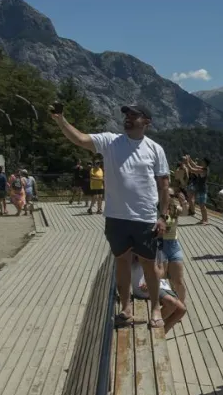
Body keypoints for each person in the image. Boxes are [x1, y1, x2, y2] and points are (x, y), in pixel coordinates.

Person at [51, 101, 170, 327]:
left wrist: (163, 216)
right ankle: (126, 307)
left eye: (134, 115)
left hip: (145, 217)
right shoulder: (110, 141)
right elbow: (80, 139)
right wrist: (61, 120)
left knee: (149, 264)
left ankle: (155, 308)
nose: (127, 117)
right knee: (122, 262)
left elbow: (164, 186)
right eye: (126, 114)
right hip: (116, 216)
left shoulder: (155, 149)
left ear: (146, 121)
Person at [132, 254, 186, 333]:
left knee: (181, 310)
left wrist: (153, 279)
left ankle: (162, 333)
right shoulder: (136, 247)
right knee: (171, 304)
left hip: (158, 284)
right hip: (141, 287)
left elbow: (162, 270)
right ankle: (148, 329)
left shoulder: (158, 248)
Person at [159, 191, 187, 302]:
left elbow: (185, 213)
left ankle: (180, 307)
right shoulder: (157, 209)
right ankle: (165, 304)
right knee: (162, 278)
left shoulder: (176, 209)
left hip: (174, 245)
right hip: (161, 246)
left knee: (178, 281)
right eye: (167, 194)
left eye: (171, 195)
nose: (169, 197)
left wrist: (184, 201)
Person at [186, 156, 211, 224]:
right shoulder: (204, 168)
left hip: (202, 189)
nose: (202, 162)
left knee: (203, 206)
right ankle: (203, 219)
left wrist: (187, 162)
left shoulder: (203, 170)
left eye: (203, 161)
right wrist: (190, 160)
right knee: (201, 205)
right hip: (200, 189)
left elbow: (192, 169)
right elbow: (195, 165)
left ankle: (206, 220)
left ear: (205, 163)